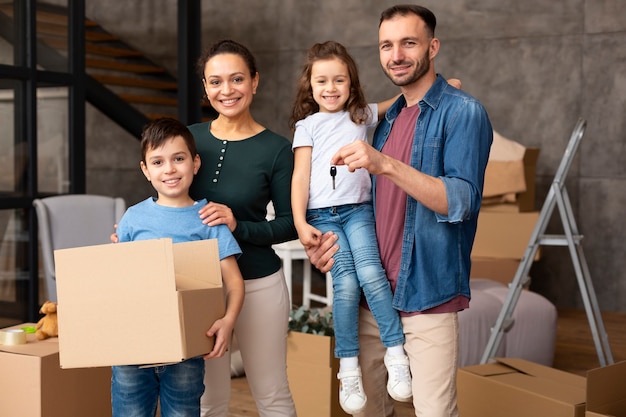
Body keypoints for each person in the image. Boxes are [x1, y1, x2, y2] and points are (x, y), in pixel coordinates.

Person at [305, 5, 493, 417]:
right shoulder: (382, 123)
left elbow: (460, 200)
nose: (397, 55)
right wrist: (327, 247)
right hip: (372, 302)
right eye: (386, 45)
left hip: (428, 297)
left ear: (433, 46)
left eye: (409, 42)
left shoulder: (462, 112)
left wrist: (385, 164)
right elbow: (360, 207)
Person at [289, 40, 411, 414]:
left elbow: (400, 103)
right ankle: (348, 368)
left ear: (351, 83)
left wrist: (441, 87)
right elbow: (300, 178)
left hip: (358, 211)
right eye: (322, 81)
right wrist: (299, 222)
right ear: (310, 86)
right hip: (324, 217)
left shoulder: (360, 115)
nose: (330, 89)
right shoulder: (306, 126)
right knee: (345, 286)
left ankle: (396, 355)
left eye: (339, 80)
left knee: (373, 274)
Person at [188, 40, 298, 417]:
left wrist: (238, 226)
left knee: (271, 393)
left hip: (258, 285)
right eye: (215, 82)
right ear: (205, 88)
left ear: (255, 82)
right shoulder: (188, 139)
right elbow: (165, 203)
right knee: (207, 398)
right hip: (197, 286)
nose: (227, 90)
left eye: (237, 79)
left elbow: (289, 225)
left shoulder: (277, 149)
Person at [112, 117, 245, 417]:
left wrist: (228, 321)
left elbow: (235, 283)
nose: (169, 169)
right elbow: (118, 280)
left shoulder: (208, 219)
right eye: (158, 162)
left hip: (186, 348)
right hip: (132, 345)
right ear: (146, 170)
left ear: (195, 163)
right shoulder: (132, 218)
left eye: (178, 159)